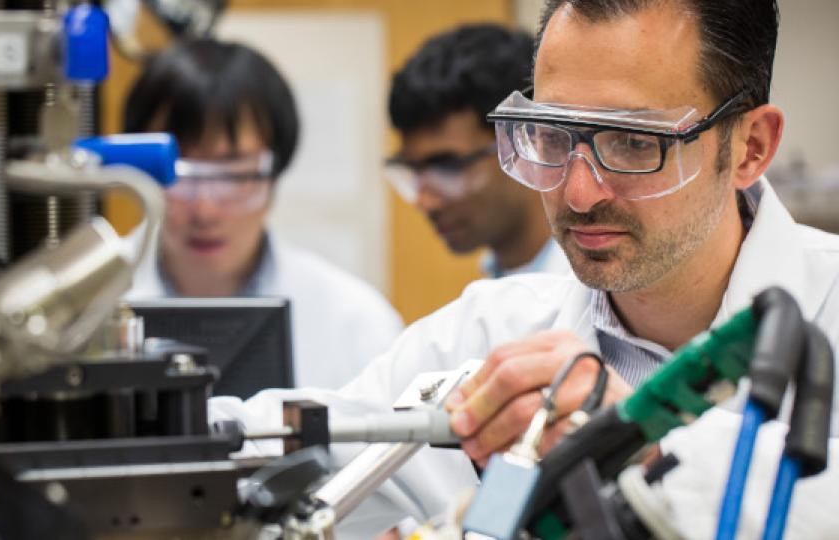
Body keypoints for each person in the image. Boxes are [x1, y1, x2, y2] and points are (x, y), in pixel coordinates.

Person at [218, 0, 839, 537]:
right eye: (551, 134)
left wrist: (639, 444)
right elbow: (293, 443)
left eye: (633, 142)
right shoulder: (488, 332)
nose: (578, 194)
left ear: (751, 147)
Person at [123, 39, 404, 389]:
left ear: (275, 172)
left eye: (234, 175)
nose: (205, 210)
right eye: (178, 174)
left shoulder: (356, 323)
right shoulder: (77, 309)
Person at [386, 24, 567, 277]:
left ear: (527, 143)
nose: (424, 201)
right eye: (413, 172)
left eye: (447, 167)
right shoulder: (496, 282)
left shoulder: (600, 287)